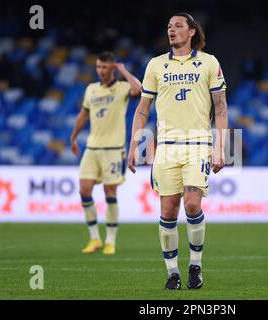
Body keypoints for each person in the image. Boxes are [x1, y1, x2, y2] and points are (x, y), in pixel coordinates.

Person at [127, 13, 228, 290]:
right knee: (168, 211)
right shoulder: (156, 65)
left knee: (193, 204)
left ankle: (195, 265)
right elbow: (143, 109)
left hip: (198, 144)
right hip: (167, 148)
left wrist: (220, 147)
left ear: (192, 31)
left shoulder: (209, 62)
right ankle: (172, 272)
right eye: (169, 27)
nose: (172, 30)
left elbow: (220, 107)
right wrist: (135, 144)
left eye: (178, 26)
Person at [70, 51, 141, 255]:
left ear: (112, 68)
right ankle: (94, 238)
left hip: (114, 149)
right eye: (98, 67)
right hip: (92, 148)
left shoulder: (122, 88)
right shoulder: (91, 89)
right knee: (84, 190)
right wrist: (73, 137)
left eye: (105, 67)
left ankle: (110, 240)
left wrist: (123, 70)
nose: (101, 71)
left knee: (110, 192)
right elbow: (83, 115)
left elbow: (139, 89)